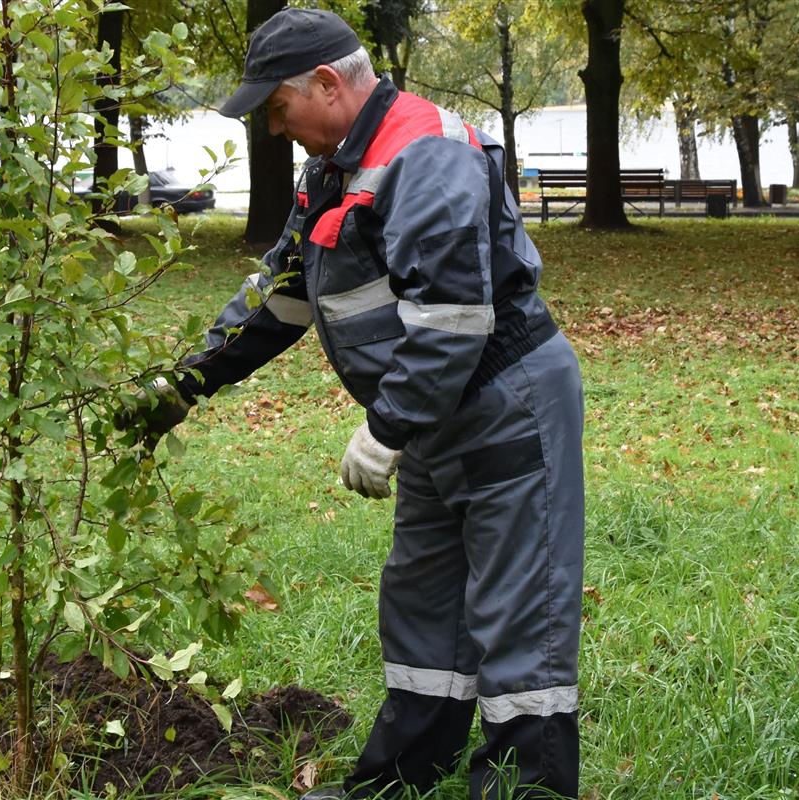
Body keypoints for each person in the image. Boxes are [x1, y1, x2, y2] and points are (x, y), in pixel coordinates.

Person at [120, 8, 584, 799]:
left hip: (506, 407)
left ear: (328, 84)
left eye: (278, 108)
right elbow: (283, 295)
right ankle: (400, 784)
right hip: (434, 419)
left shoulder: (424, 151)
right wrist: (185, 384)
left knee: (519, 622)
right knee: (423, 605)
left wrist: (386, 429)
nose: (275, 128)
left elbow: (452, 319)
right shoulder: (335, 165)